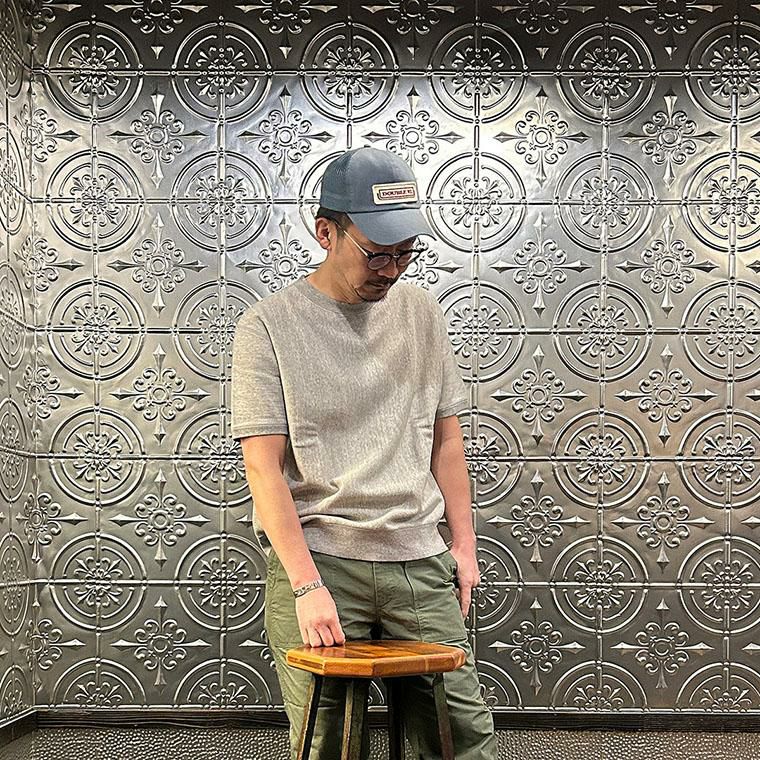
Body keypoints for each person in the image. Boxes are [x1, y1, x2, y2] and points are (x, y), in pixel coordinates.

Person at [231, 146, 498, 759]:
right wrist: (305, 586)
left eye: (406, 253)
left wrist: (463, 546)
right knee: (327, 741)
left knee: (460, 737)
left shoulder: (422, 314)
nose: (392, 269)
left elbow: (446, 439)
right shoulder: (268, 325)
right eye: (377, 253)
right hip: (321, 561)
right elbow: (263, 469)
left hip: (418, 559)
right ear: (326, 232)